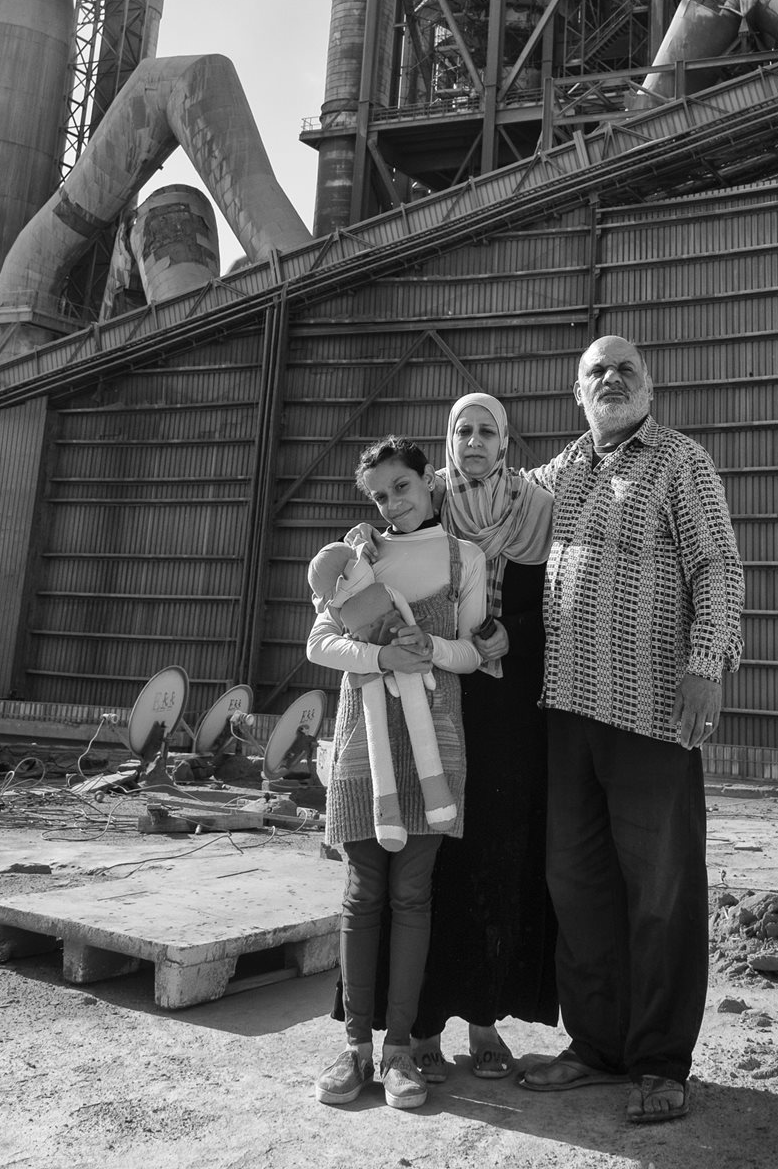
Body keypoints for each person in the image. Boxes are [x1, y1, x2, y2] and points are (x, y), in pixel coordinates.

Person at [516, 335, 744, 1126]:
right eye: (595, 372)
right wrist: (383, 525)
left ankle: (658, 1062)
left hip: (651, 712)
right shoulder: (562, 470)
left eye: (625, 369)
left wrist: (707, 661)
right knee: (576, 885)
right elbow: (480, 497)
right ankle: (597, 1046)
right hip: (567, 710)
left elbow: (716, 564)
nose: (610, 379)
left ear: (650, 384)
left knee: (661, 891)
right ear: (577, 391)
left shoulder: (681, 461)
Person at [306, 436, 486, 1112]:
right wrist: (383, 662)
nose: (391, 503)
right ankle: (354, 1048)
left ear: (429, 481)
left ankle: (401, 1049)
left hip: (436, 747)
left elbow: (471, 652)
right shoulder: (357, 556)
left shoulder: (462, 556)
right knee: (361, 895)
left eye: (401, 487)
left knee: (413, 894)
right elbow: (319, 643)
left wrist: (427, 649)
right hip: (362, 747)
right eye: (379, 495)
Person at [409, 392, 558, 1081]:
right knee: (433, 857)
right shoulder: (425, 505)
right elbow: (381, 563)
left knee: (496, 858)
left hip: (506, 712)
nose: (472, 440)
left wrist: (510, 634)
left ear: (505, 444)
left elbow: (555, 609)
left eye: (485, 431)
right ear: (449, 439)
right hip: (435, 703)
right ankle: (422, 1023)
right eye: (461, 429)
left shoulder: (536, 514)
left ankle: (483, 1019)